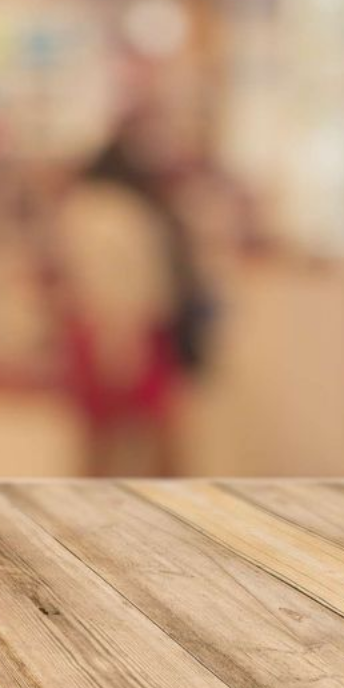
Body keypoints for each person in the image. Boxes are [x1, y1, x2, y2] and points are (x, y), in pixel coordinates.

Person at [52, 127, 210, 476]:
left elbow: (90, 279)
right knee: (155, 433)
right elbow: (126, 280)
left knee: (103, 437)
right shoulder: (125, 211)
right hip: (131, 328)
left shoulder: (84, 209)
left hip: (106, 328)